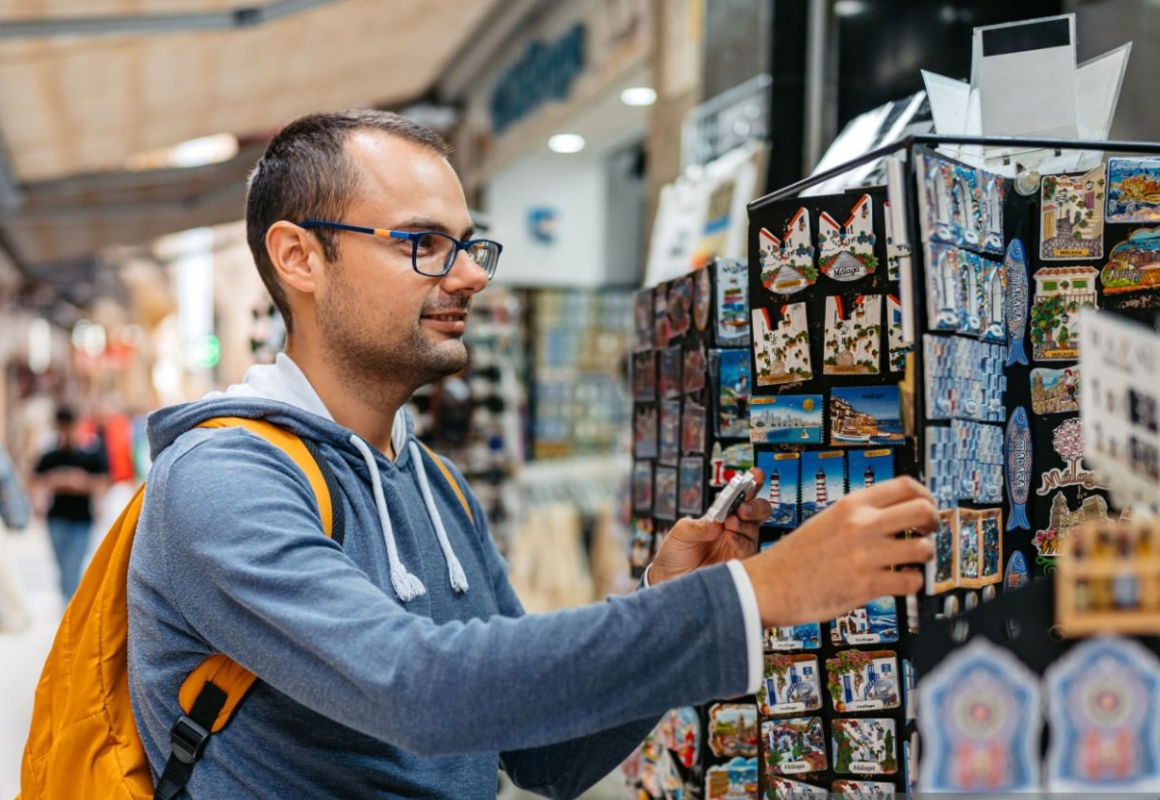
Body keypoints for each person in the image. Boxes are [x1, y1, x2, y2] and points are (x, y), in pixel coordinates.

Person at [127, 109, 938, 798]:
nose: (471, 275)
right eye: (424, 243)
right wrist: (753, 595)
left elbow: (544, 756)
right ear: (299, 257)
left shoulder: (433, 482)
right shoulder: (220, 480)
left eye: (471, 245)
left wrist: (668, 590)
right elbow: (417, 688)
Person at [32, 406, 107, 603]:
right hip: (57, 517)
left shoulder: (89, 454)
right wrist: (55, 481)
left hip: (81, 518)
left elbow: (103, 482)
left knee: (73, 567)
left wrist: (80, 482)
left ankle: (70, 609)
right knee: (63, 566)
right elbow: (34, 480)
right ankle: (69, 607)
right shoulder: (50, 456)